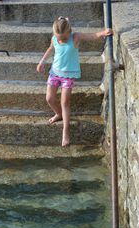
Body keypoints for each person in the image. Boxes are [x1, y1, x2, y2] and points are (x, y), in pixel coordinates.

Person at [36, 16, 113, 147]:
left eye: (63, 37)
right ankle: (59, 114)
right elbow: (50, 48)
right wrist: (41, 62)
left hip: (68, 75)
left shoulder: (75, 37)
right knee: (49, 98)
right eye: (58, 37)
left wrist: (102, 33)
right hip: (54, 73)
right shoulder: (55, 38)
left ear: (69, 31)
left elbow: (91, 36)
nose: (61, 40)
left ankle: (65, 131)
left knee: (65, 101)